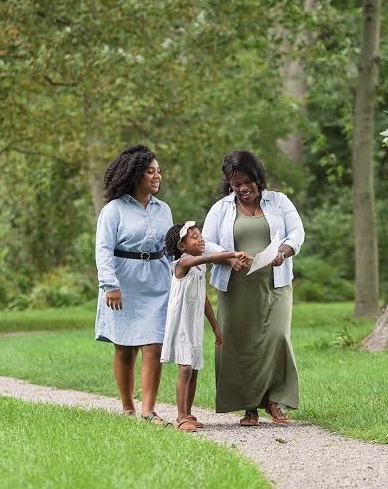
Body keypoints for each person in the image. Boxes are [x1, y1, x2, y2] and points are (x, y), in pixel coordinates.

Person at [202, 149, 305, 426]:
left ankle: (275, 400)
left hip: (275, 284)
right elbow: (205, 243)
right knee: (239, 343)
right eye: (235, 184)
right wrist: (228, 257)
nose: (242, 188)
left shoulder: (279, 202)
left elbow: (297, 232)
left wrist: (283, 251)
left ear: (257, 178)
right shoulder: (221, 208)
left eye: (247, 182)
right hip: (236, 287)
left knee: (277, 337)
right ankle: (249, 407)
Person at [94, 145, 173, 425]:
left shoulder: (163, 210)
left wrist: (181, 275)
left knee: (154, 344)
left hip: (157, 281)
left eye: (158, 171)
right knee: (125, 347)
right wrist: (109, 285)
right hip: (123, 281)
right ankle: (128, 408)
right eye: (150, 171)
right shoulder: (113, 210)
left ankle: (148, 411)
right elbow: (103, 250)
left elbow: (171, 249)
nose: (157, 176)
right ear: (135, 174)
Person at [160, 220, 251, 431]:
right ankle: (181, 417)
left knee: (194, 369)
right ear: (182, 246)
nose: (201, 239)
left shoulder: (199, 268)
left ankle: (188, 412)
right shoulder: (183, 263)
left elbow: (203, 299)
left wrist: (216, 328)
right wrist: (232, 254)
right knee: (185, 369)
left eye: (200, 235)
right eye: (194, 237)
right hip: (181, 322)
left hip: (194, 324)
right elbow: (209, 257)